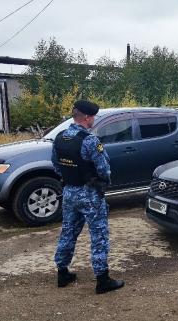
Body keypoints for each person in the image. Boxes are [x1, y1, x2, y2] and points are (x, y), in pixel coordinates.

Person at [51, 100, 124, 294]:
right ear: (86, 117)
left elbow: (56, 166)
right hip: (90, 194)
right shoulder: (90, 140)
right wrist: (102, 182)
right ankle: (102, 279)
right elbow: (104, 169)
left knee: (68, 232)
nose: (94, 120)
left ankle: (62, 272)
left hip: (69, 193)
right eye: (93, 117)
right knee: (99, 235)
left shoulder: (59, 138)